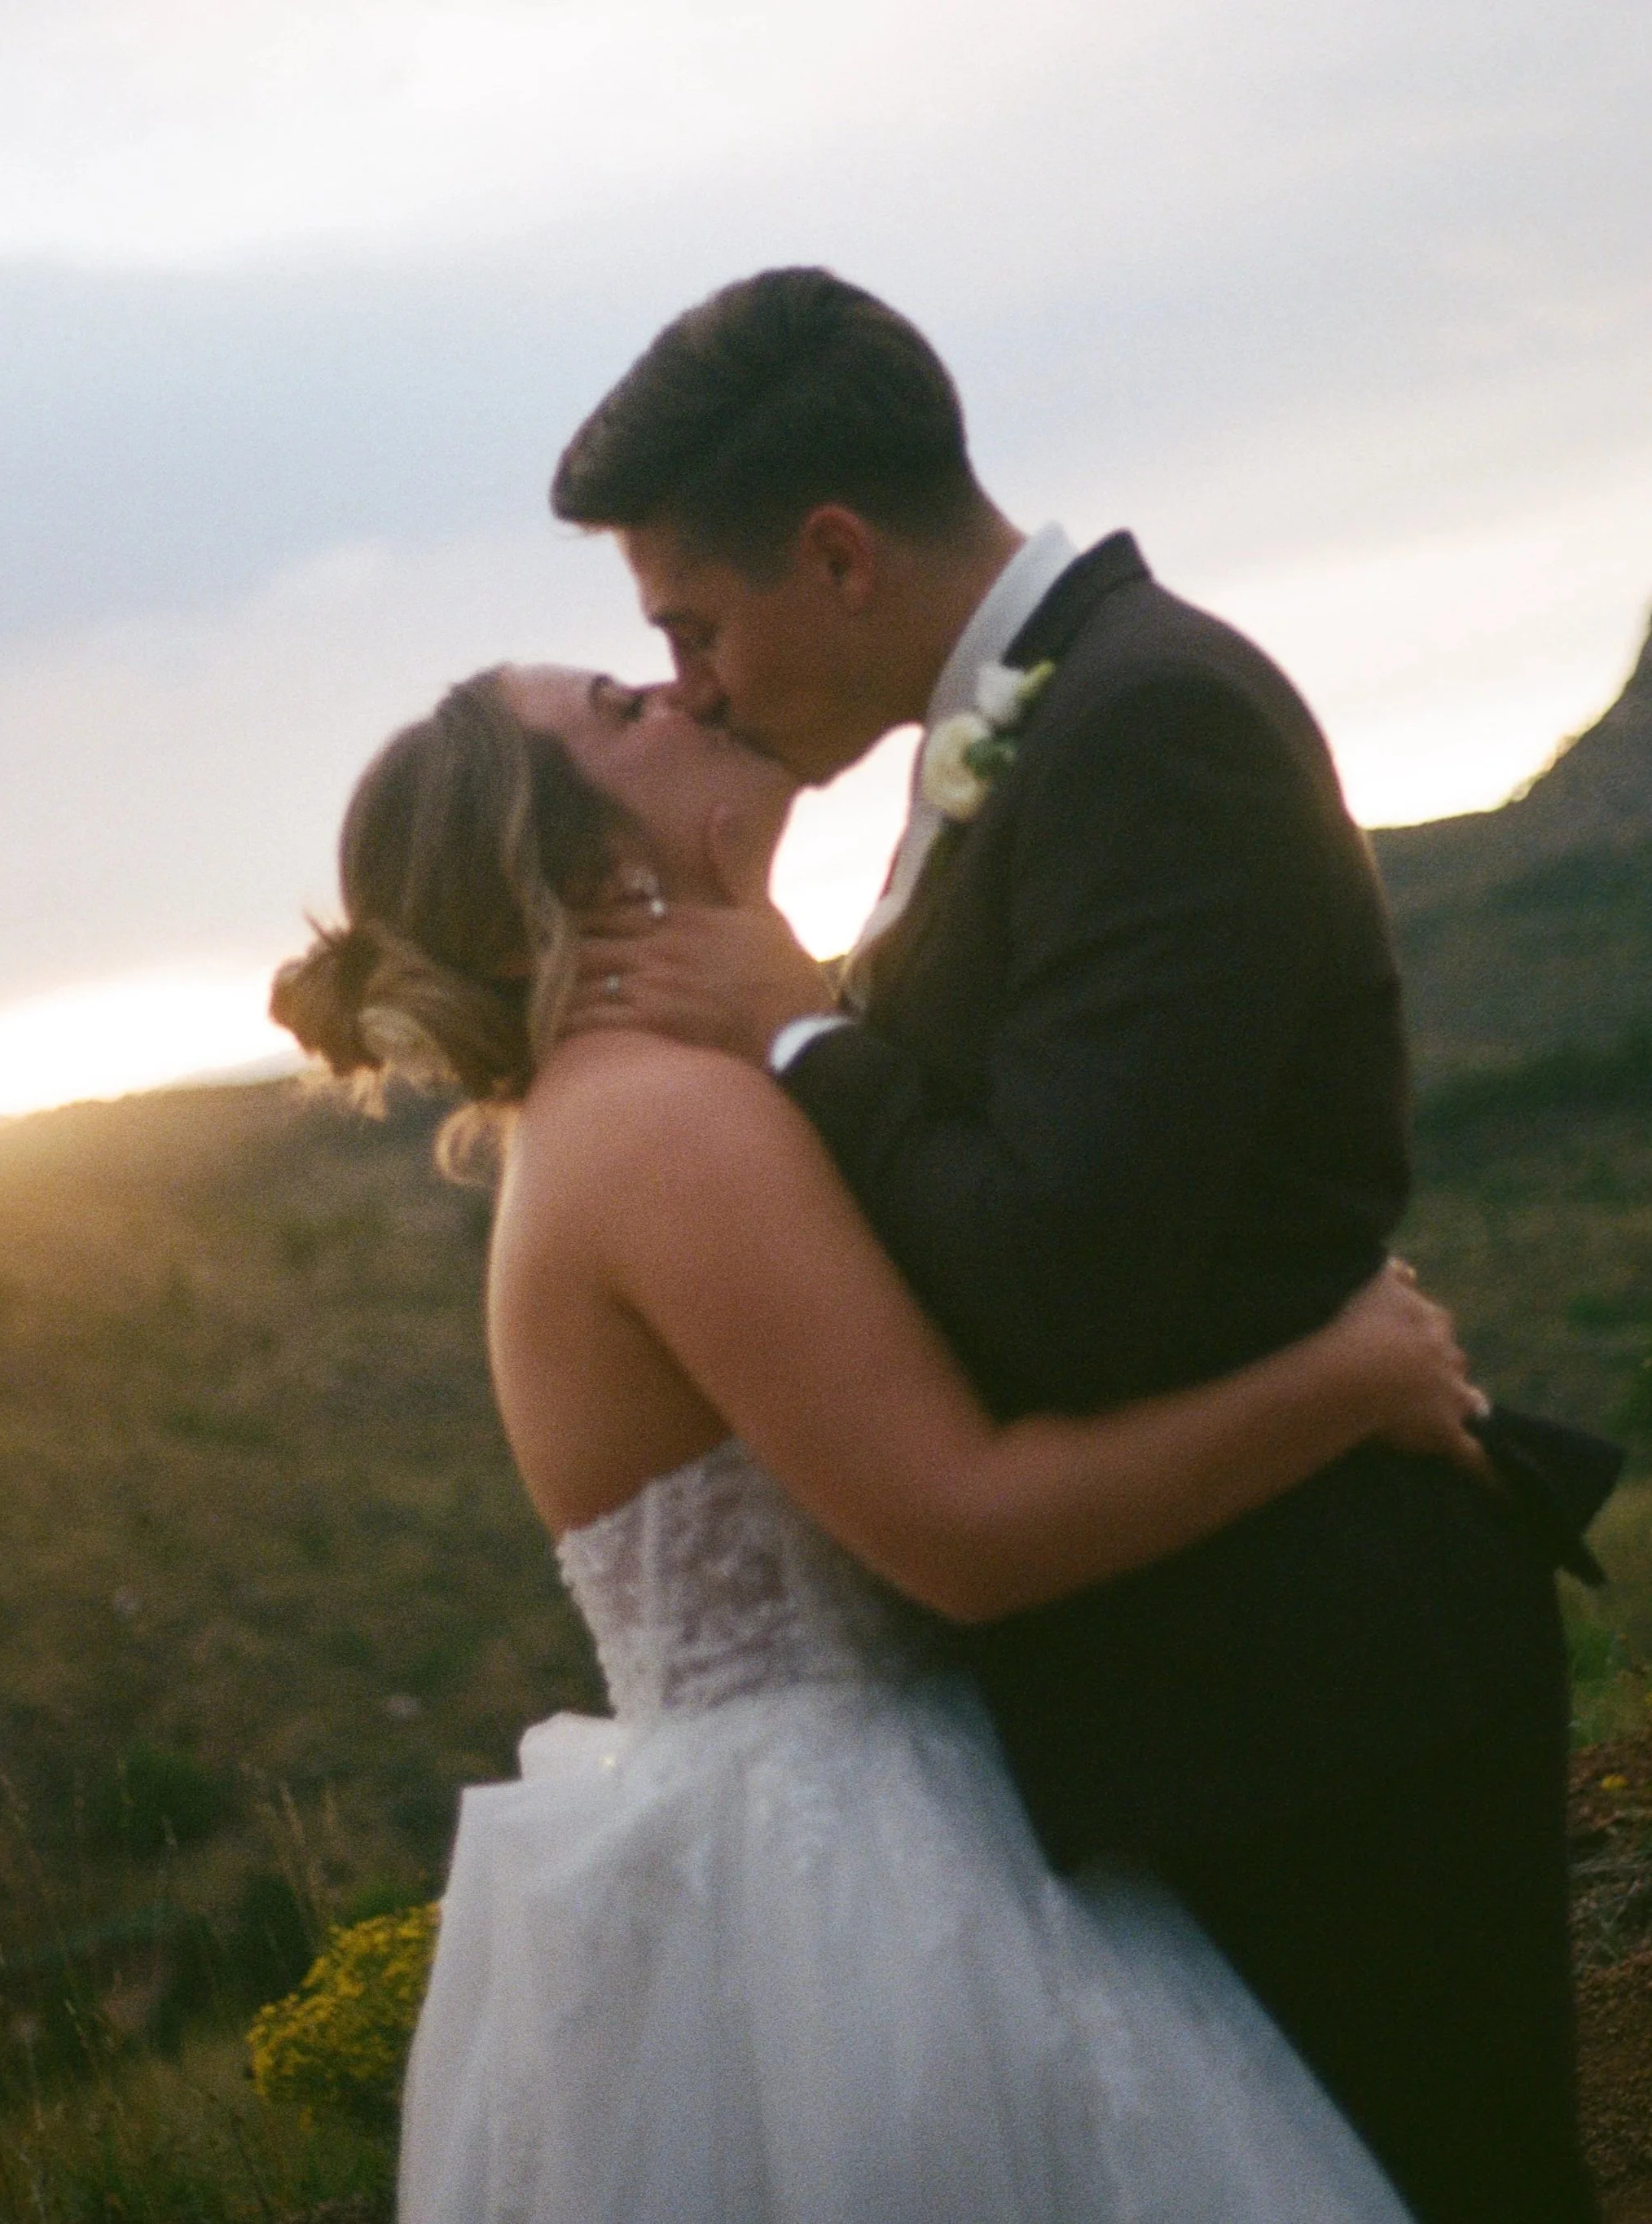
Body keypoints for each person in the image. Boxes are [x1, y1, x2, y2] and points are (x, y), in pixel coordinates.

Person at [547, 268, 1596, 2224]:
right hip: (1218, 1690)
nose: (693, 684)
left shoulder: (1151, 722)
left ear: (837, 554)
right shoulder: (1037, 728)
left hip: (1325, 1681)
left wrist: (802, 1033)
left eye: (693, 625)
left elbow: (1063, 1278)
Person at [270, 666, 1485, 2222]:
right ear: (576, 872)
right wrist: (1346, 1377)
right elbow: (965, 1531)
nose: (683, 688)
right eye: (621, 707)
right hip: (860, 1899)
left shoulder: (654, 1098)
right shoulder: (657, 1122)